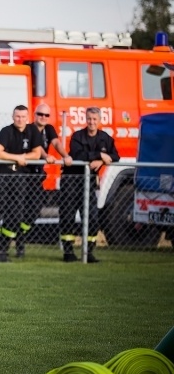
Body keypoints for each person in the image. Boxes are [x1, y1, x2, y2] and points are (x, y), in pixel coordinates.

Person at [59, 107, 119, 263]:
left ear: (99, 120)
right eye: (89, 119)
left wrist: (101, 161)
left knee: (92, 218)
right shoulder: (77, 136)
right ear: (86, 119)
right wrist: (100, 155)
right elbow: (77, 155)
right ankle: (68, 252)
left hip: (89, 182)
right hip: (72, 181)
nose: (91, 122)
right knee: (67, 216)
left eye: (94, 119)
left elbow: (115, 156)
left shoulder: (105, 138)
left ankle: (88, 252)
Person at [16, 103, 73, 257]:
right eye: (40, 114)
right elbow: (38, 147)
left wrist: (66, 156)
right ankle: (14, 243)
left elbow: (56, 143)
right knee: (19, 209)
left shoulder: (49, 129)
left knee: (34, 209)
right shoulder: (29, 129)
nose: (43, 117)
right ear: (34, 115)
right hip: (24, 174)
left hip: (37, 176)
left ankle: (20, 234)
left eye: (46, 115)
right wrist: (46, 156)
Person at [0, 105, 43, 262]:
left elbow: (37, 154)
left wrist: (22, 158)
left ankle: (3, 248)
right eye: (17, 116)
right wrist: (18, 158)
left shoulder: (32, 131)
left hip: (19, 176)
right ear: (13, 117)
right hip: (1, 175)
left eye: (23, 116)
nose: (20, 119)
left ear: (28, 117)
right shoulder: (6, 131)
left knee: (16, 214)